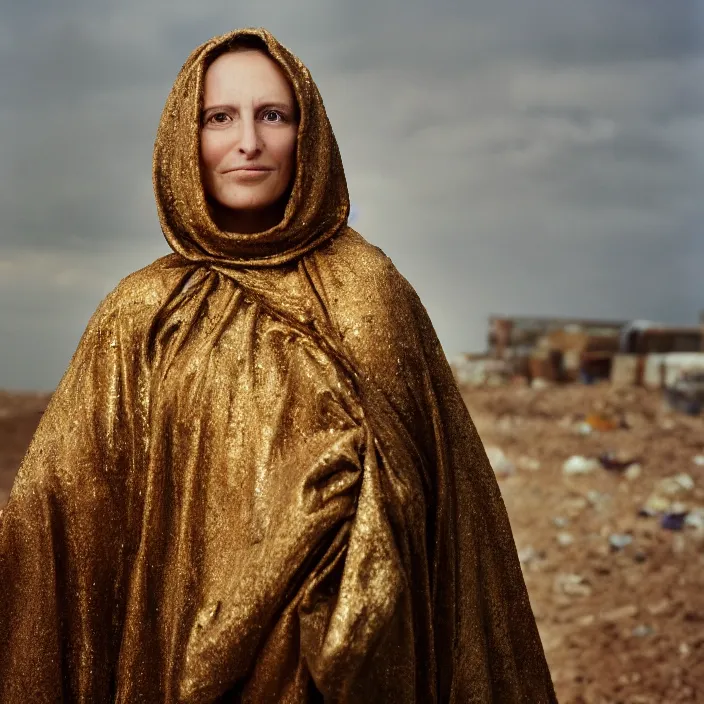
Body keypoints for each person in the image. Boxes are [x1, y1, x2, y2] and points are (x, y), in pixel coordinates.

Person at [0, 27, 557, 702]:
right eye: (219, 118)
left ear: (308, 133)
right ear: (185, 138)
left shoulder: (372, 293)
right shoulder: (141, 311)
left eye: (273, 115)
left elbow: (451, 517)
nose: (248, 143)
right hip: (177, 663)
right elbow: (60, 513)